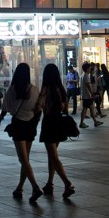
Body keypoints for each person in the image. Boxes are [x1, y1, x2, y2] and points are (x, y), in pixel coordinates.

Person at [2, 63, 43, 202]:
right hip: (30, 125)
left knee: (23, 159)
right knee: (26, 159)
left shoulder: (13, 89)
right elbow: (38, 108)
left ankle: (35, 187)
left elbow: (6, 107)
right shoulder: (34, 89)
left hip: (18, 125)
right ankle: (19, 188)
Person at [36, 63, 76, 199]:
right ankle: (50, 183)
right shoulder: (61, 89)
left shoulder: (46, 89)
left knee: (53, 156)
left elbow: (39, 106)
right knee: (51, 155)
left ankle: (67, 183)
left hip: (49, 123)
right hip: (59, 122)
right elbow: (65, 108)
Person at [79, 63, 102, 128]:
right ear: (87, 69)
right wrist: (92, 94)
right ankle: (81, 123)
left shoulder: (83, 75)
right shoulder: (86, 76)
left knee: (91, 108)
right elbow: (88, 86)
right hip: (87, 96)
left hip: (86, 95)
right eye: (89, 68)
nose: (90, 69)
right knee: (85, 109)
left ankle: (95, 122)